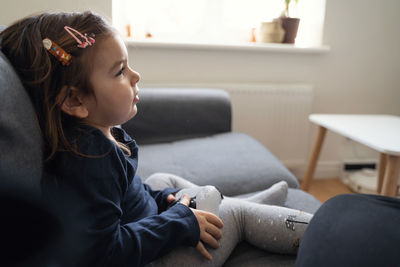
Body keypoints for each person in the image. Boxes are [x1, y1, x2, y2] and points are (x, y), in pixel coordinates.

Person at [0, 11, 313, 267]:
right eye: (119, 71)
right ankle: (320, 231)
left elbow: (130, 193)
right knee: (235, 216)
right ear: (75, 102)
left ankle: (217, 204)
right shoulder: (89, 161)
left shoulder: (97, 135)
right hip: (152, 259)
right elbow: (103, 253)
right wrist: (178, 222)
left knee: (162, 181)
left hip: (146, 225)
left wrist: (164, 201)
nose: (135, 76)